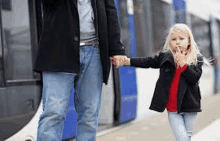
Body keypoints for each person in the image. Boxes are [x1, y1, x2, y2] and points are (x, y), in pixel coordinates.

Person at [34, 0, 126, 141]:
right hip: (58, 51)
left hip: (94, 51)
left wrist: (116, 48)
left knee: (89, 115)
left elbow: (110, 11)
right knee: (54, 112)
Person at [112, 23, 210, 141]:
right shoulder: (166, 57)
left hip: (190, 107)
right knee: (182, 138)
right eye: (174, 39)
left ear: (189, 41)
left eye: (181, 38)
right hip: (173, 109)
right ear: (169, 43)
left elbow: (194, 78)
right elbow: (148, 62)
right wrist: (126, 61)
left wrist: (183, 64)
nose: (177, 42)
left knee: (187, 136)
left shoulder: (196, 59)